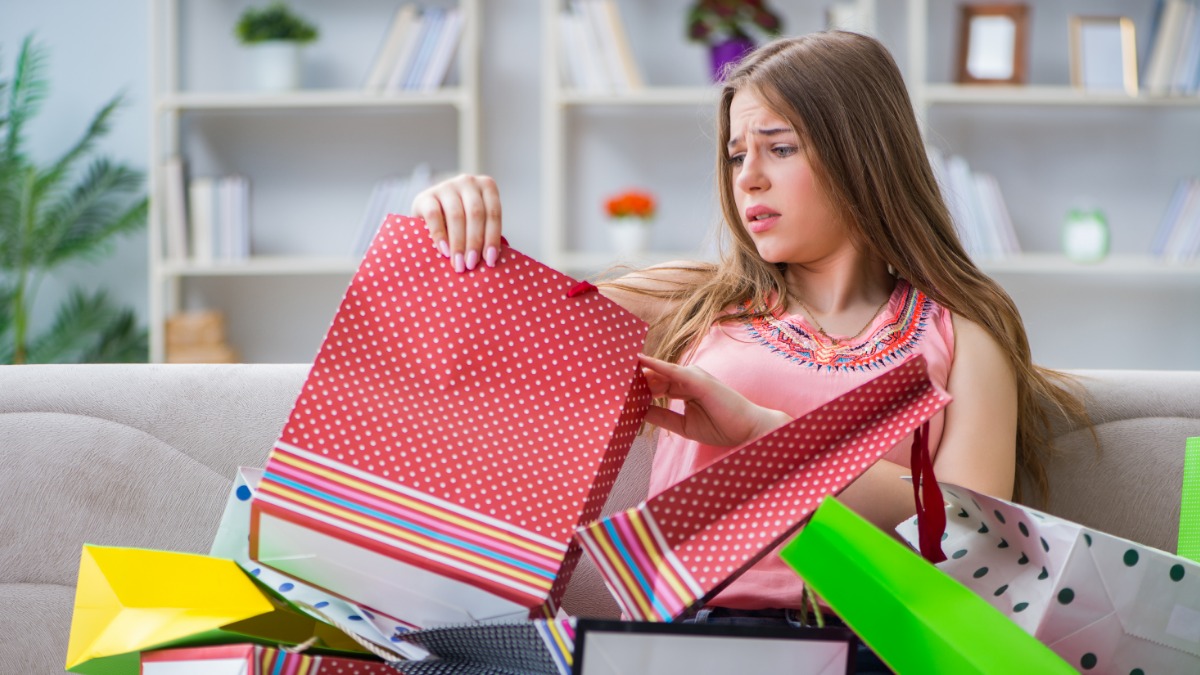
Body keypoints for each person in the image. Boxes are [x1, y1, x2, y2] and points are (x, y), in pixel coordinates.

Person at [412, 30, 1087, 670]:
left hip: (869, 646)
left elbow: (966, 531)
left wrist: (762, 433)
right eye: (737, 155)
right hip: (686, 640)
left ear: (863, 153)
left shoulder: (962, 333)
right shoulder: (693, 301)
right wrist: (443, 218)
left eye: (779, 147)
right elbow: (473, 338)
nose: (749, 178)